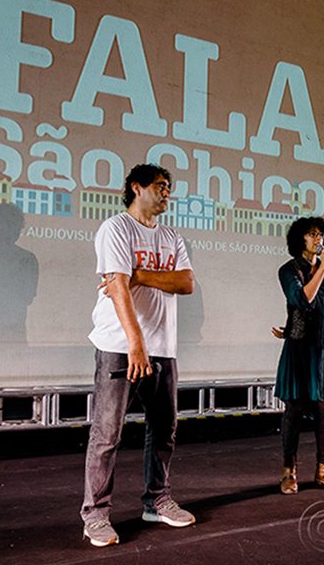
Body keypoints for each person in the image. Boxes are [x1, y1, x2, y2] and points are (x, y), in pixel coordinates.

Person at [81, 164, 196, 547]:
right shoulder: (115, 229)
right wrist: (136, 343)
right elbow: (117, 288)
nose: (167, 193)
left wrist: (141, 274)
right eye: (161, 186)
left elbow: (185, 283)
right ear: (137, 188)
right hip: (120, 346)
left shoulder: (171, 237)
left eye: (169, 187)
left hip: (163, 347)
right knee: (107, 434)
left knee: (164, 429)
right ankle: (95, 515)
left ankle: (157, 500)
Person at [273, 216, 324, 494]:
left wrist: (291, 325)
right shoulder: (288, 270)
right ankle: (289, 471)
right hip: (300, 350)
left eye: (321, 234)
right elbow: (302, 299)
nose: (319, 240)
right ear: (300, 239)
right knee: (294, 409)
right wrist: (323, 264)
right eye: (313, 234)